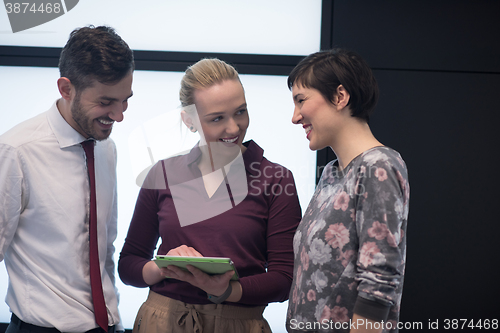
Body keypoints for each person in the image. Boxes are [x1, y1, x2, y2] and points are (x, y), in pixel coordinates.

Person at [118, 58, 302, 333]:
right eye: (217, 118)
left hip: (238, 324)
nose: (234, 128)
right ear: (189, 121)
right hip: (161, 321)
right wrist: (162, 268)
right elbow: (129, 263)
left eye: (240, 112)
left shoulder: (277, 180)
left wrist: (227, 290)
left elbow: (284, 279)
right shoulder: (162, 174)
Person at [0, 26, 134, 333]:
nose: (118, 115)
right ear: (66, 88)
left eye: (124, 100)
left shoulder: (106, 148)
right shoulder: (16, 151)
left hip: (107, 326)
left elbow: (105, 249)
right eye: (105, 102)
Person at [285, 49, 410, 333]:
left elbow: (379, 281)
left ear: (340, 97)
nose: (295, 117)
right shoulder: (331, 172)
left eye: (301, 100)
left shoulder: (378, 165)